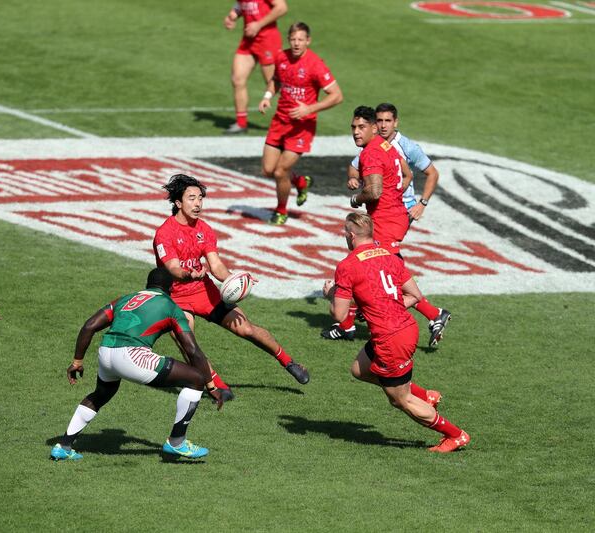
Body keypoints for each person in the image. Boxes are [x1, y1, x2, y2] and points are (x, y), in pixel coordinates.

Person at [153, 174, 310, 397]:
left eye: (200, 198)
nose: (198, 204)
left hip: (204, 292)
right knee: (188, 344)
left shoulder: (204, 229)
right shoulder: (164, 234)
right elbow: (173, 269)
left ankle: (289, 362)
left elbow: (216, 266)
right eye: (191, 198)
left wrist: (233, 280)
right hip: (175, 298)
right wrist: (190, 274)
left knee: (246, 328)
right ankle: (216, 385)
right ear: (178, 203)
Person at [324, 213, 470, 453]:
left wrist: (330, 294)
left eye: (344, 233)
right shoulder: (389, 256)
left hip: (391, 338)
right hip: (404, 327)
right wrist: (380, 307)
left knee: (400, 400)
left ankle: (455, 435)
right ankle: (427, 395)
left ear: (350, 236)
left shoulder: (347, 266)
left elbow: (340, 316)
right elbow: (415, 295)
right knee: (360, 369)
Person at [51, 268, 217, 461]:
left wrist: (77, 361)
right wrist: (210, 385)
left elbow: (89, 326)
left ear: (148, 284)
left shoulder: (125, 299)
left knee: (101, 394)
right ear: (171, 287)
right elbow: (192, 350)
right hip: (132, 355)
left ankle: (64, 446)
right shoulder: (170, 305)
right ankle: (177, 442)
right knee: (195, 379)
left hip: (106, 352)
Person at [334, 105, 450, 346]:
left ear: (375, 128)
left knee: (383, 275)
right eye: (353, 127)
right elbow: (407, 174)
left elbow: (374, 191)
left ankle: (350, 323)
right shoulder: (386, 146)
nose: (356, 132)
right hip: (392, 216)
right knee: (384, 273)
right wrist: (395, 193)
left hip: (386, 221)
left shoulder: (373, 152)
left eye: (361, 127)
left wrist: (357, 199)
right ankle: (351, 323)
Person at [258, 21, 343, 224]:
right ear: (289, 40)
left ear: (308, 41)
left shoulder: (315, 64)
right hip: (280, 121)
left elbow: (337, 96)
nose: (296, 43)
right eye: (293, 39)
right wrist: (268, 95)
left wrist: (309, 109)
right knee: (268, 170)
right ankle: (300, 181)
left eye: (300, 40)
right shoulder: (282, 57)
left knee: (280, 171)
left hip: (301, 127)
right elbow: (276, 79)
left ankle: (281, 211)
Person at [348, 102, 441, 222]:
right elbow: (353, 166)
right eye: (379, 120)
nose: (383, 125)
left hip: (403, 205)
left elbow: (433, 173)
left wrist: (422, 203)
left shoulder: (408, 147)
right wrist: (353, 178)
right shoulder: (373, 144)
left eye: (388, 121)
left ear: (395, 122)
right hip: (381, 206)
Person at [223, 0, 288, 134]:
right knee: (237, 79)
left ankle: (295, 120)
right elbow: (241, 4)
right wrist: (233, 15)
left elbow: (282, 7)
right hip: (249, 40)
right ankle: (241, 123)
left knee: (274, 84)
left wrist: (259, 24)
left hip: (267, 40)